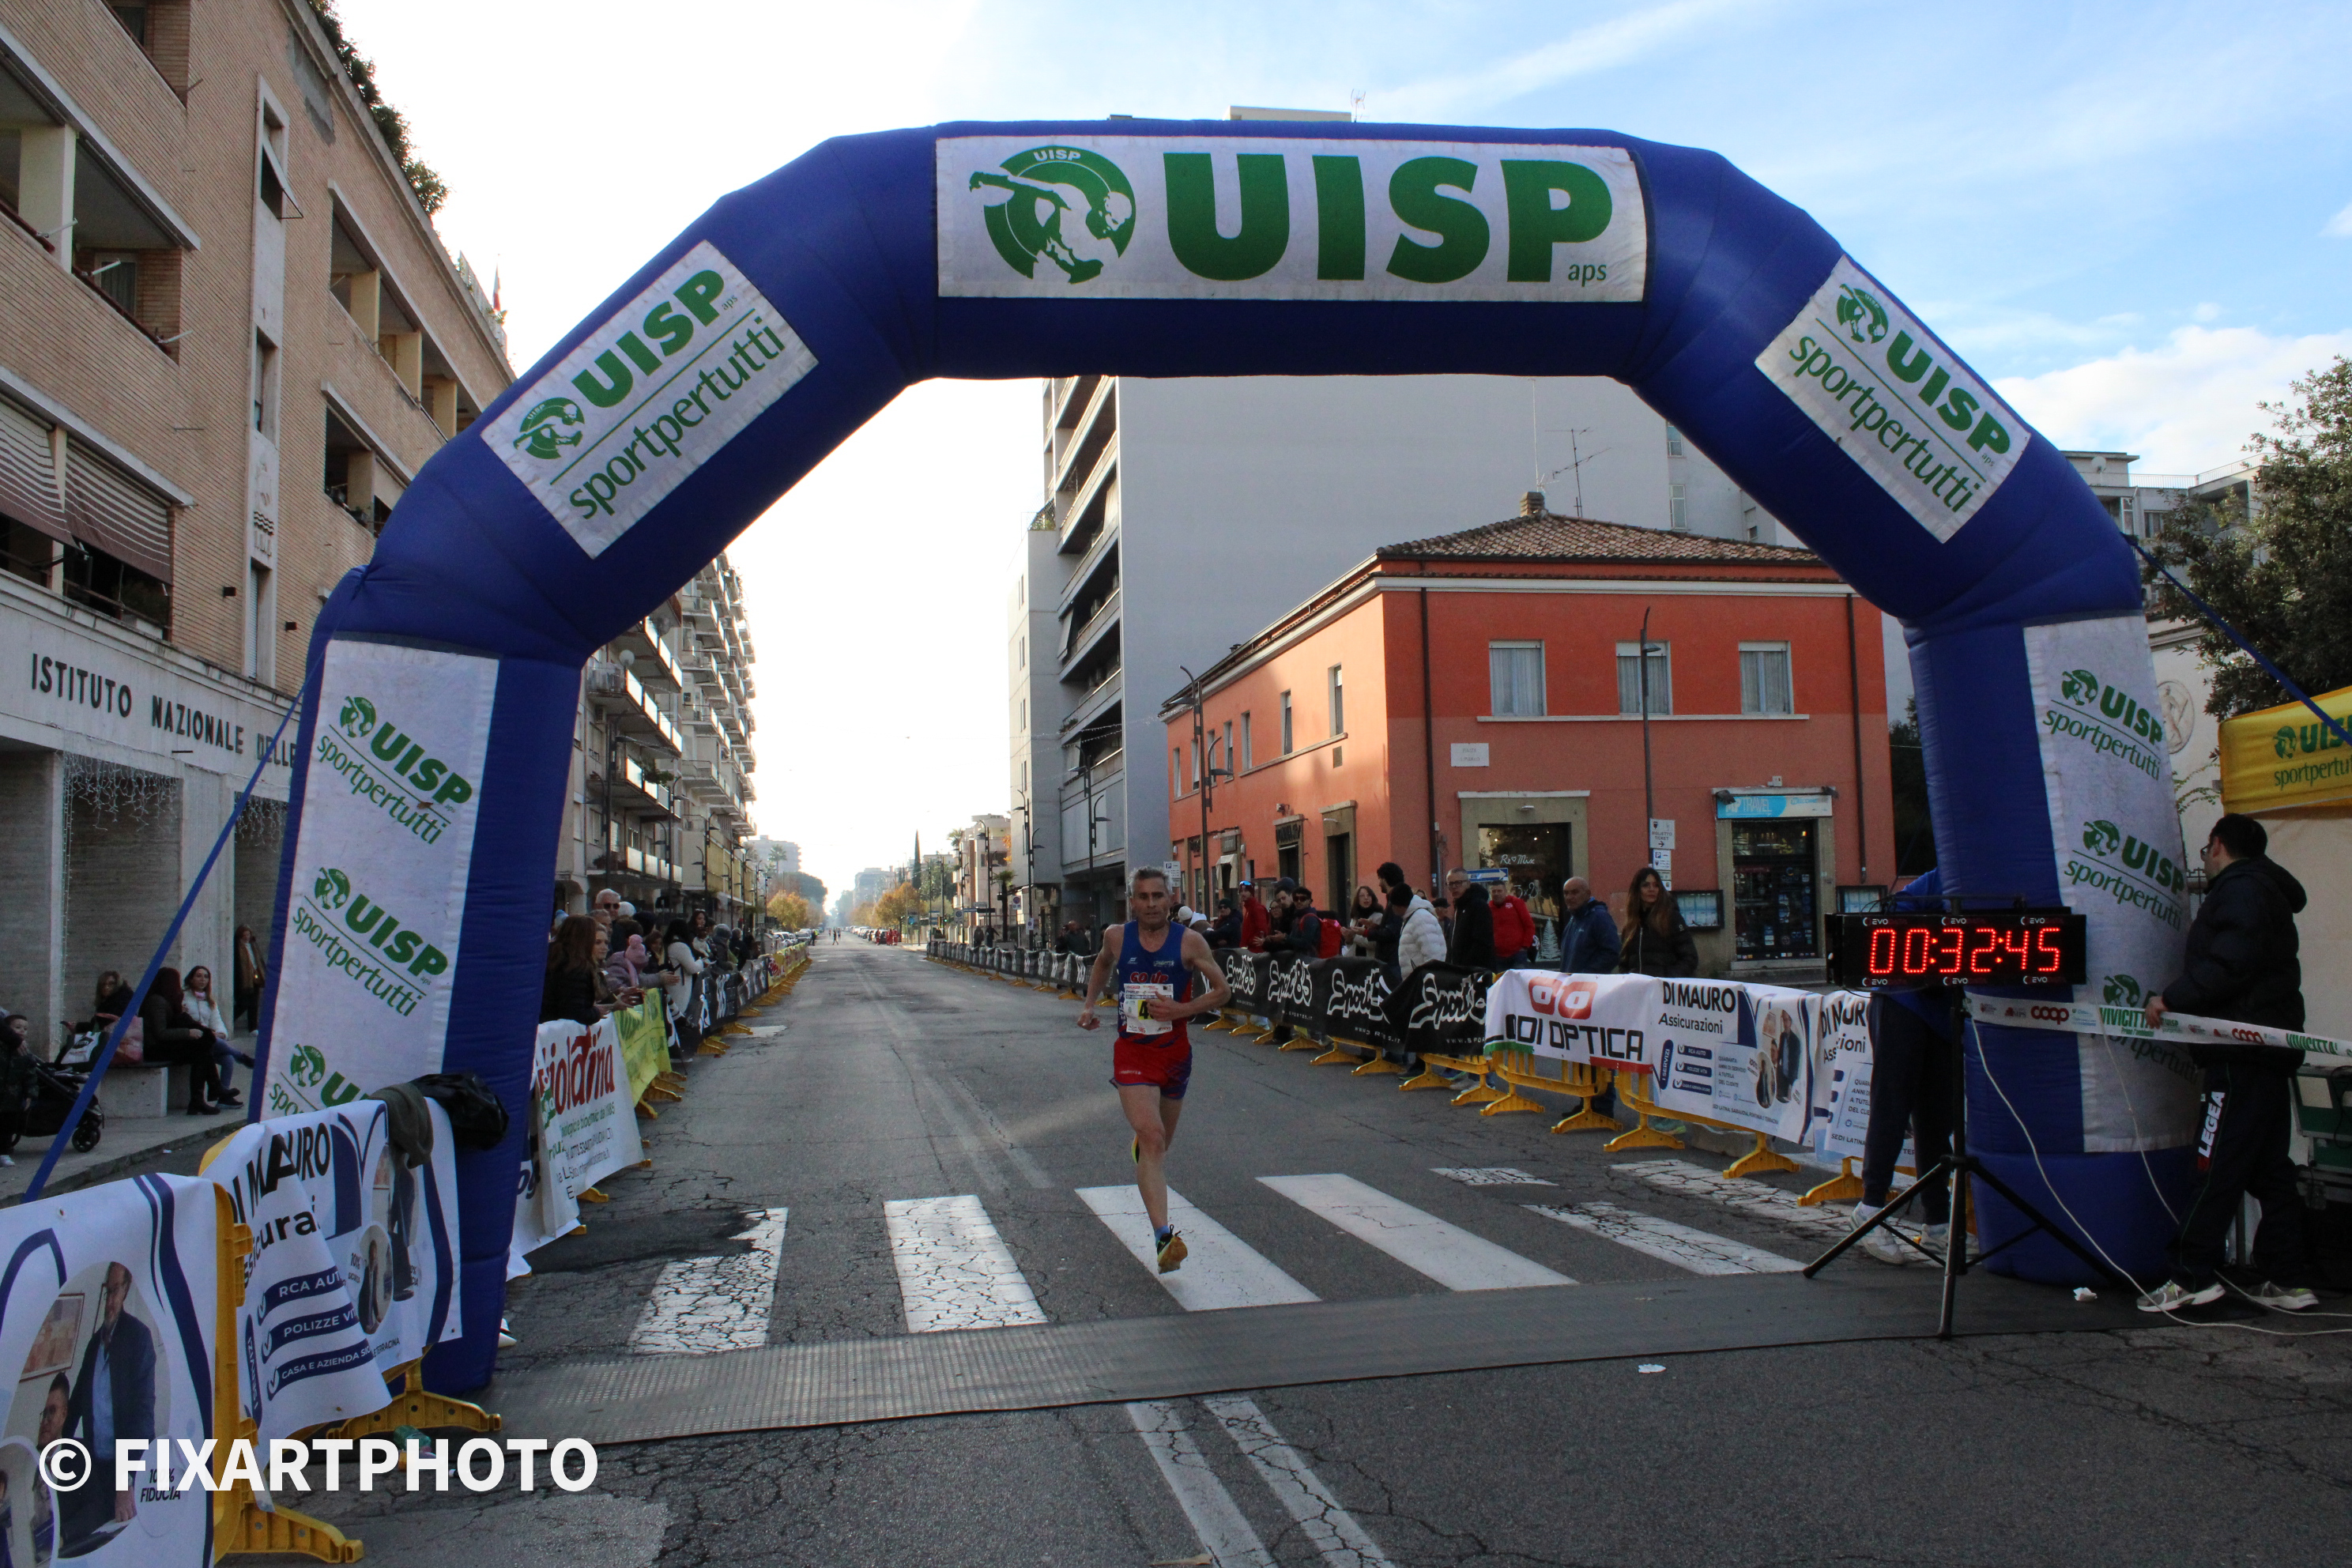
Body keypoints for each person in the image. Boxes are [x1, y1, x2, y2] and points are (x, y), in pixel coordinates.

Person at [2138, 813, 2316, 1314]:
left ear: (2217, 845)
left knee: (2212, 1164)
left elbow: (2230, 962)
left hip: (2237, 1052)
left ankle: (2190, 1274)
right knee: (2270, 1169)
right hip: (2267, 1050)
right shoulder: (2268, 890)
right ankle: (2287, 1278)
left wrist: (2173, 999)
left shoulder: (2240, 891)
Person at [1077, 866, 1231, 1275]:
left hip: (1174, 1055)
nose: (1150, 904)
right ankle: (1164, 1237)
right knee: (1153, 1137)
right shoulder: (1116, 936)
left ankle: (1144, 1148)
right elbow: (1101, 965)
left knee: (1161, 1145)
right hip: (1133, 1052)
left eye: (1157, 896)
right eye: (1143, 897)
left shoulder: (1190, 941)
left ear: (1170, 898)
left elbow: (1223, 991)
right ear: (1132, 901)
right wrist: (1090, 1005)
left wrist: (1182, 1009)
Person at [62, 1262, 153, 1546]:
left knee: (127, 1541)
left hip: (128, 1470)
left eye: (115, 1291)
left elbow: (141, 1417)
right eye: (107, 1291)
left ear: (126, 1290)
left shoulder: (138, 1338)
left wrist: (126, 1481)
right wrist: (54, 1449)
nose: (110, 1300)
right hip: (98, 1467)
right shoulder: (94, 1345)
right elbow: (76, 1403)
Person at [140, 969, 226, 1114]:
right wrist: (188, 1033)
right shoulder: (157, 1002)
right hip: (155, 1049)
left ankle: (206, 1094)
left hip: (162, 1046)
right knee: (201, 1049)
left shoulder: (163, 999)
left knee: (202, 1047)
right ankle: (206, 1093)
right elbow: (161, 1033)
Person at [180, 966, 247, 1106]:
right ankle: (242, 1057)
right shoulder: (183, 998)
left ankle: (224, 1098)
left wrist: (221, 1033)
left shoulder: (210, 1001)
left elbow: (217, 1022)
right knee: (213, 1041)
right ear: (191, 979)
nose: (202, 980)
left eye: (206, 977)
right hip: (191, 1040)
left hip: (208, 1040)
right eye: (198, 976)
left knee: (228, 1058)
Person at [1618, 867, 1697, 977]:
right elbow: (1624, 962)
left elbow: (1690, 957)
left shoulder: (1671, 918)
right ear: (1637, 890)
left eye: (1656, 885)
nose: (1652, 889)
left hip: (1664, 985)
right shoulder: (1631, 925)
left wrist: (1668, 978)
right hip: (1638, 986)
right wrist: (1628, 977)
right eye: (1646, 885)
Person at [541, 916, 614, 1027]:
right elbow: (575, 1012)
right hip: (557, 1030)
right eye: (596, 941)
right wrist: (596, 1013)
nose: (604, 947)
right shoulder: (576, 967)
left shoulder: (550, 957)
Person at [1554, 876, 1619, 975]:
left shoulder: (1599, 917)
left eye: (1575, 892)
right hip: (1573, 983)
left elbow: (1612, 953)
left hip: (1590, 983)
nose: (1569, 897)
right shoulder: (1573, 921)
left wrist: (1585, 975)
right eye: (1566, 893)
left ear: (1588, 894)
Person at [1391, 881, 1446, 974]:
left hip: (1423, 980)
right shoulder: (1413, 917)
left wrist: (1428, 980)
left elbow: (1433, 955)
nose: (1392, 909)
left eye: (1392, 905)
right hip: (1417, 979)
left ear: (1398, 906)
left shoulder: (1420, 919)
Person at [1444, 873, 1495, 968]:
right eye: (1450, 884)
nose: (1454, 887)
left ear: (1468, 884)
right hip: (1457, 970)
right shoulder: (1458, 907)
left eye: (1458, 883)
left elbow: (1482, 943)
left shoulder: (1479, 906)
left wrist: (1466, 967)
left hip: (1475, 971)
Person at [1490, 880, 1536, 967]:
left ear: (1505, 892)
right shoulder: (1488, 908)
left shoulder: (1516, 903)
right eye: (1493, 891)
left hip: (1517, 954)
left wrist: (1525, 946)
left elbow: (1529, 926)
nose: (1496, 894)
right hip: (1497, 956)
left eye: (1499, 891)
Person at [232, 924, 266, 1031]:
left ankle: (253, 1027)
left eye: (248, 934)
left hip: (255, 977)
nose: (247, 937)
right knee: (243, 1004)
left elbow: (258, 960)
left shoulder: (253, 945)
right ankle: (229, 1020)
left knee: (254, 1004)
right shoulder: (237, 947)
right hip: (243, 980)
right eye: (244, 935)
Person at [1238, 880, 1272, 952]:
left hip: (1255, 951)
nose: (1243, 893)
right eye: (1241, 891)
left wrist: (1250, 943)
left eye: (1246, 891)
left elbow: (1262, 930)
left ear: (1251, 893)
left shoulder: (1257, 908)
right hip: (1249, 950)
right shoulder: (1249, 909)